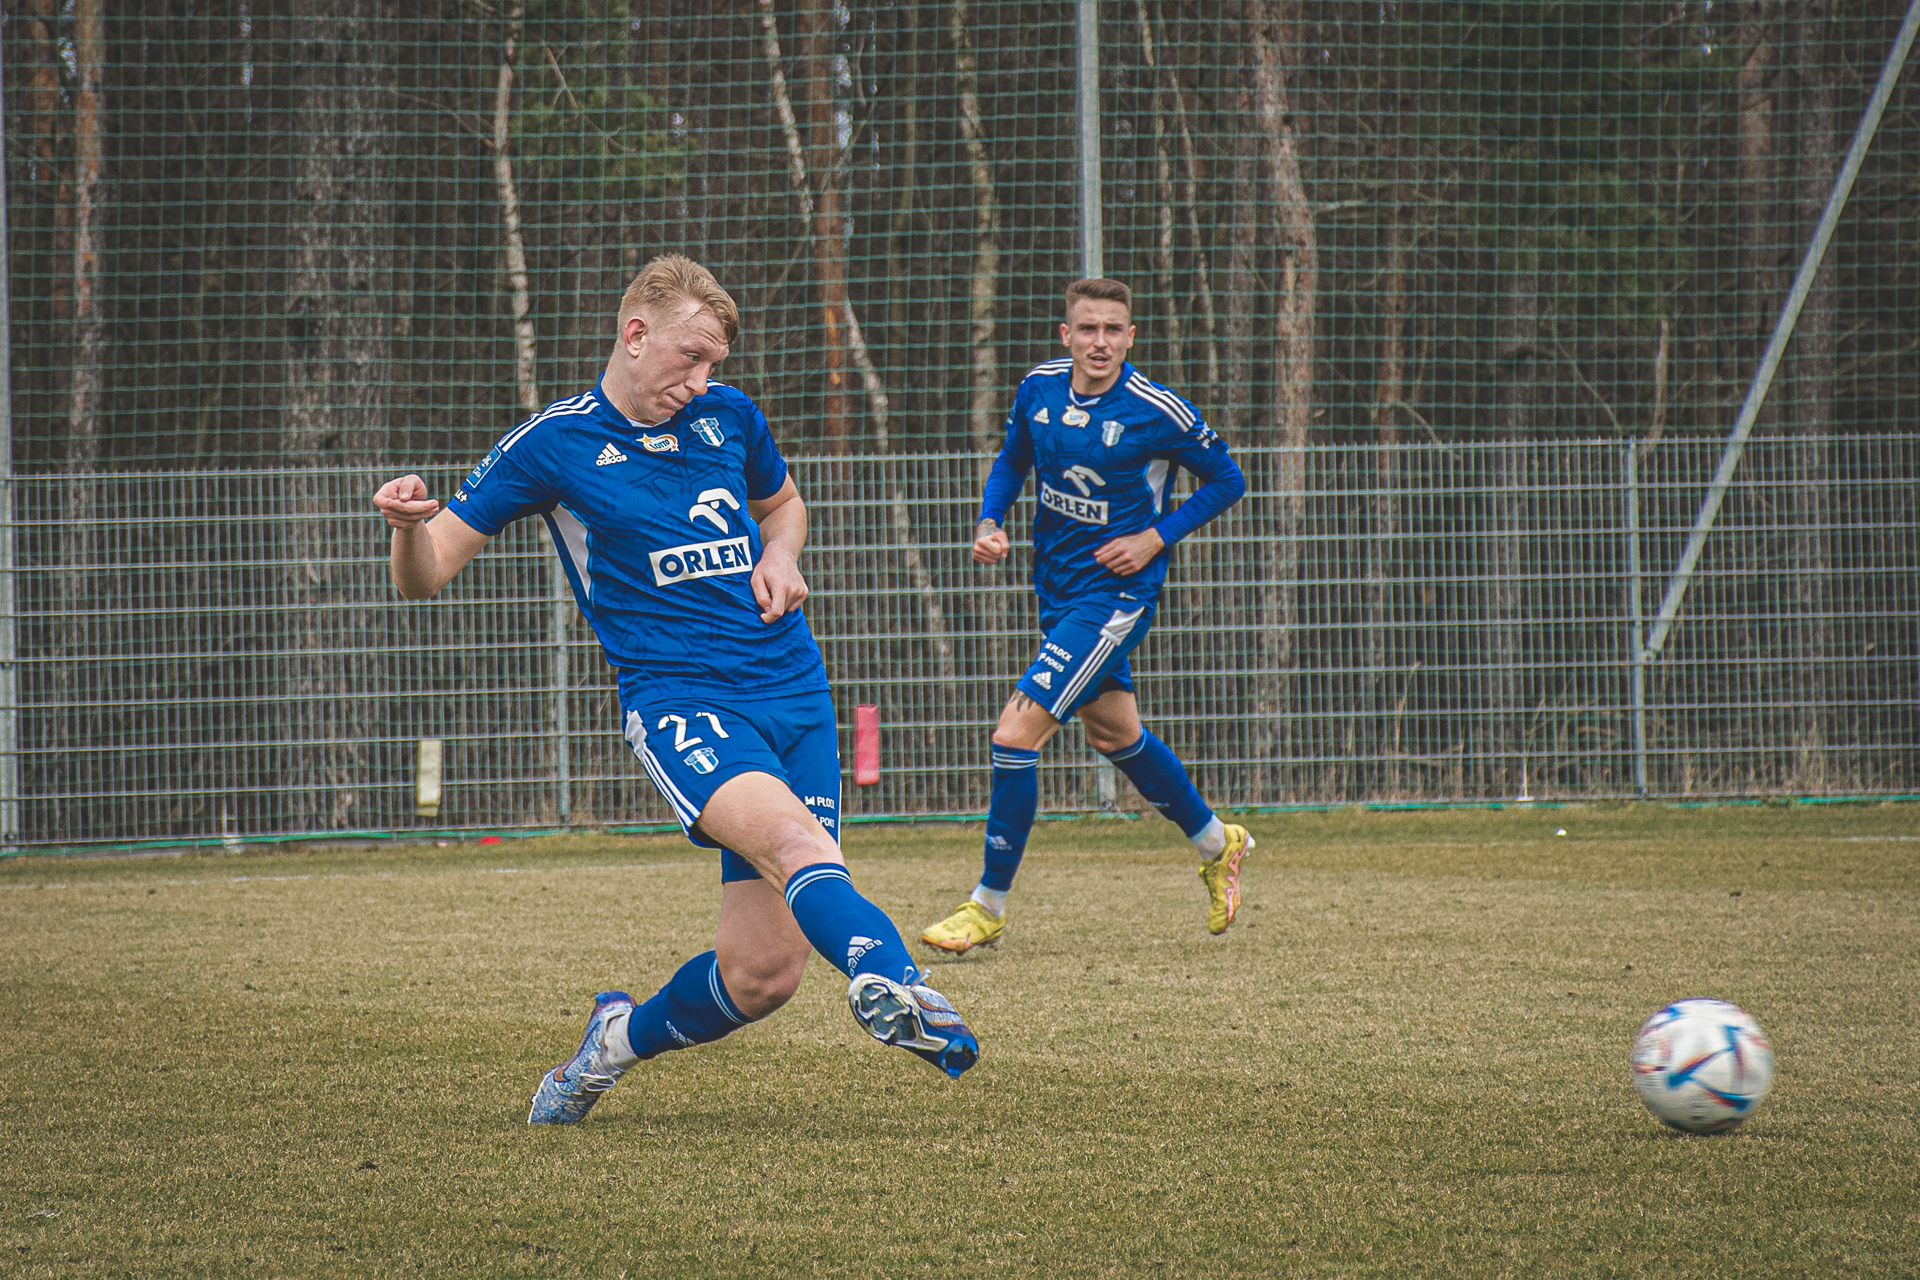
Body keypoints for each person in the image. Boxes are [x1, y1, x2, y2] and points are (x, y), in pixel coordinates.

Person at [373, 255, 978, 1125]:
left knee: (763, 975)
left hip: (794, 690)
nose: (699, 382)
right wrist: (408, 527)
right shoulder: (552, 444)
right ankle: (898, 983)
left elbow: (783, 506)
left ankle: (612, 1042)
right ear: (636, 334)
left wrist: (782, 554)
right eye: (689, 358)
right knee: (796, 844)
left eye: (713, 365)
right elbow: (426, 574)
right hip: (683, 700)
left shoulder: (728, 416)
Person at [920, 277, 1254, 955]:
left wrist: (1155, 537)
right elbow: (1013, 458)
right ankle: (1217, 843)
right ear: (1066, 334)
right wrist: (989, 521)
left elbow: (1228, 480)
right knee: (1113, 733)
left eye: (1113, 330)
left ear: (1130, 337)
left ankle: (987, 906)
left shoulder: (1156, 410)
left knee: (1015, 735)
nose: (1100, 342)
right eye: (1088, 329)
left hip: (1116, 597)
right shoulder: (1039, 388)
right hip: (1057, 587)